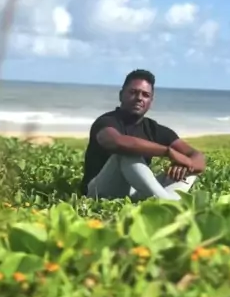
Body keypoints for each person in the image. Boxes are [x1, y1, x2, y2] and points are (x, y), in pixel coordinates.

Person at [81, 69, 206, 201]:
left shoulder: (154, 129)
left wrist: (186, 164)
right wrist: (168, 152)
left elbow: (198, 157)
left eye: (145, 95)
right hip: (99, 191)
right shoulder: (106, 122)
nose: (139, 98)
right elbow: (116, 142)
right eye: (133, 92)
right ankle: (166, 204)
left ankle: (165, 201)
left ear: (150, 101)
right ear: (121, 95)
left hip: (133, 191)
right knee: (125, 154)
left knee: (189, 170)